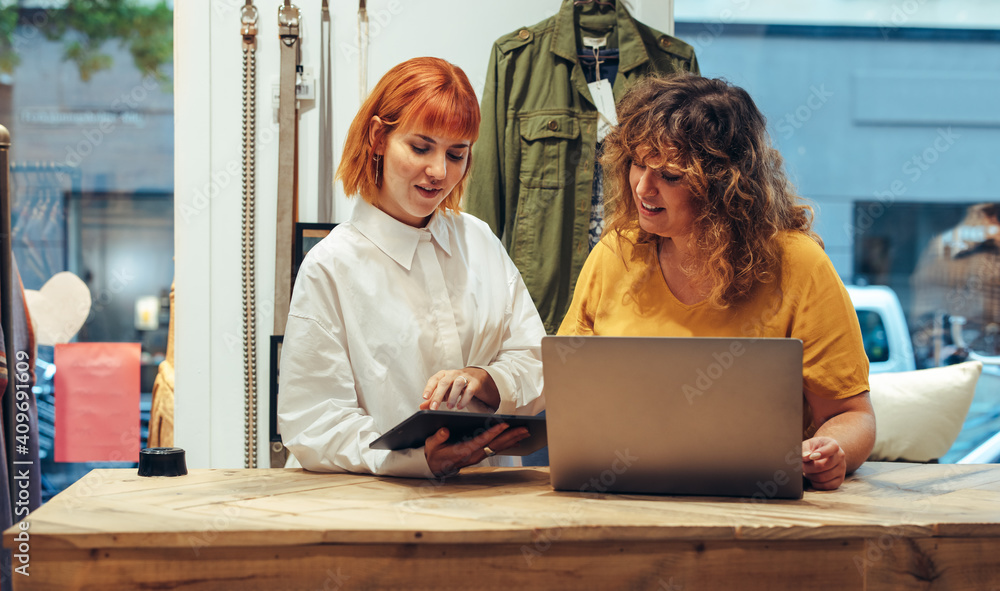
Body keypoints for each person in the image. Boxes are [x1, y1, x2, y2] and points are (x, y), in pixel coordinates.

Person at [559, 74, 875, 490]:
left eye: (670, 175)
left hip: (758, 504)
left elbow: (854, 415)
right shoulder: (615, 252)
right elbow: (567, 387)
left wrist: (830, 450)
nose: (642, 186)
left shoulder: (799, 264)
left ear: (726, 186)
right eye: (638, 163)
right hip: (623, 489)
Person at [278, 57, 545, 478]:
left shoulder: (479, 242)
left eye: (456, 154)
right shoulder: (330, 266)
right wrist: (414, 459)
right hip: (377, 515)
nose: (439, 172)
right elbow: (312, 421)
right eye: (421, 148)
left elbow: (536, 360)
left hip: (489, 502)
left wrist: (485, 379)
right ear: (378, 138)